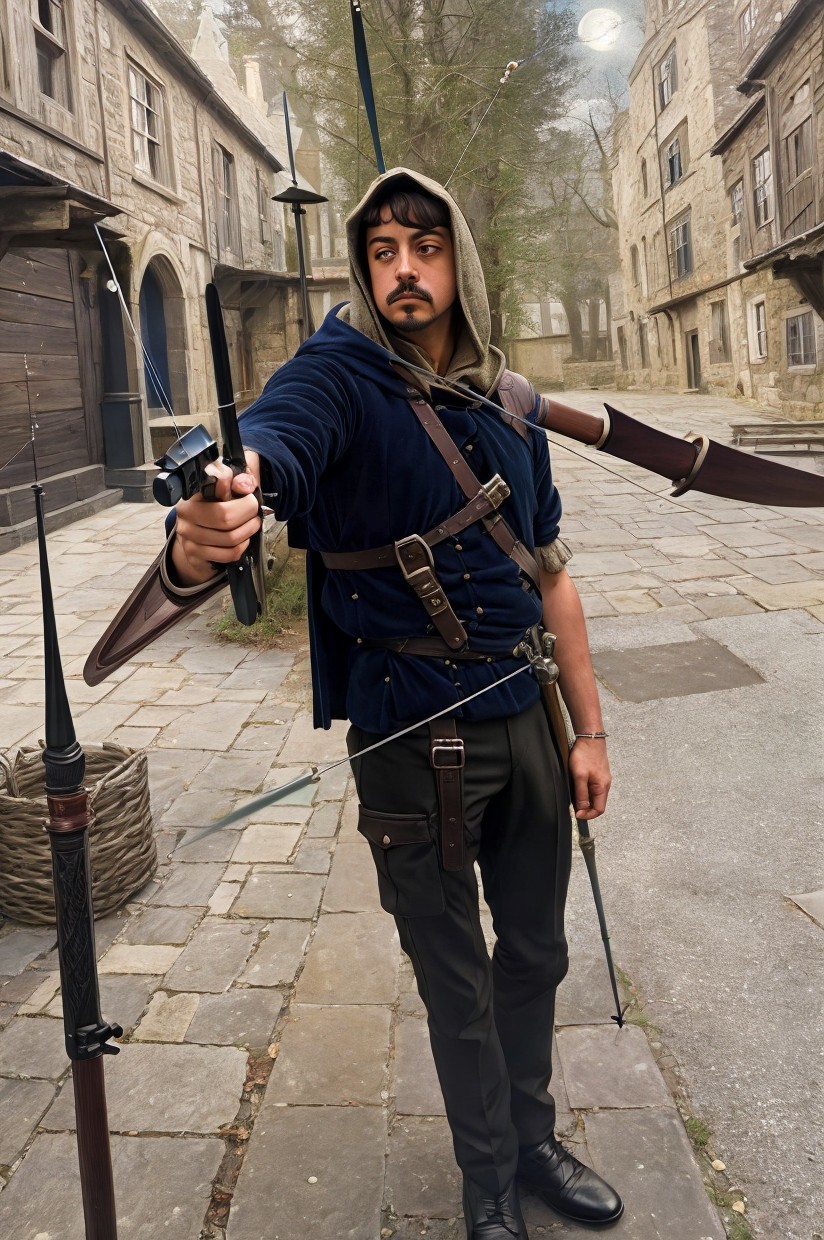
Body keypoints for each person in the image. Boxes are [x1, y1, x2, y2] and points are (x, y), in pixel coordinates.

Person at [168, 168, 623, 1238]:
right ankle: (485, 1181)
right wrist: (219, 513)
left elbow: (550, 572)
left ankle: (533, 1139)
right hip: (408, 738)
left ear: (457, 257)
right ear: (364, 269)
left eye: (424, 246)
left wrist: (591, 729)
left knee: (537, 952)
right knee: (451, 975)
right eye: (381, 251)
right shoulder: (331, 375)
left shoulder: (508, 401)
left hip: (527, 718)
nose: (404, 269)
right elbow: (271, 448)